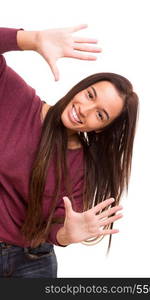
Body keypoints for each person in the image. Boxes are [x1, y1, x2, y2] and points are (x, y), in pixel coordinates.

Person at [0, 24, 139, 278]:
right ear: (81, 87)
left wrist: (66, 235)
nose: (84, 109)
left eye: (100, 114)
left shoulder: (83, 165)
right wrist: (33, 39)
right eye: (90, 95)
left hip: (34, 262)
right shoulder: (19, 101)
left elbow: (55, 227)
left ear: (101, 128)